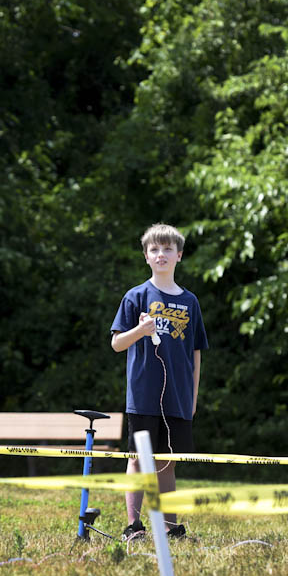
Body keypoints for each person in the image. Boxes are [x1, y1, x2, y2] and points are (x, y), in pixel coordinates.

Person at [110, 223, 208, 541]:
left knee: (167, 462)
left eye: (167, 249)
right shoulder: (136, 296)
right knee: (139, 460)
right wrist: (140, 330)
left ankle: (170, 527)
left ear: (179, 255)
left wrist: (191, 400)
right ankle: (133, 526)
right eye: (155, 249)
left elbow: (195, 354)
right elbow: (117, 344)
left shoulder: (190, 302)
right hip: (143, 395)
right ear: (146, 257)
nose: (161, 254)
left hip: (178, 398)